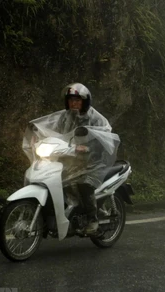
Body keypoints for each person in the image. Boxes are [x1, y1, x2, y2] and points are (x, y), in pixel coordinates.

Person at [24, 83, 119, 235]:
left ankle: (92, 218)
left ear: (85, 101)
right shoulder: (63, 117)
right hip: (70, 157)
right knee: (54, 178)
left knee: (84, 185)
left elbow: (105, 137)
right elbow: (51, 128)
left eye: (77, 100)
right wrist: (38, 132)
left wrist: (89, 148)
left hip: (93, 160)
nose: (73, 103)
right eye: (70, 100)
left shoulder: (96, 118)